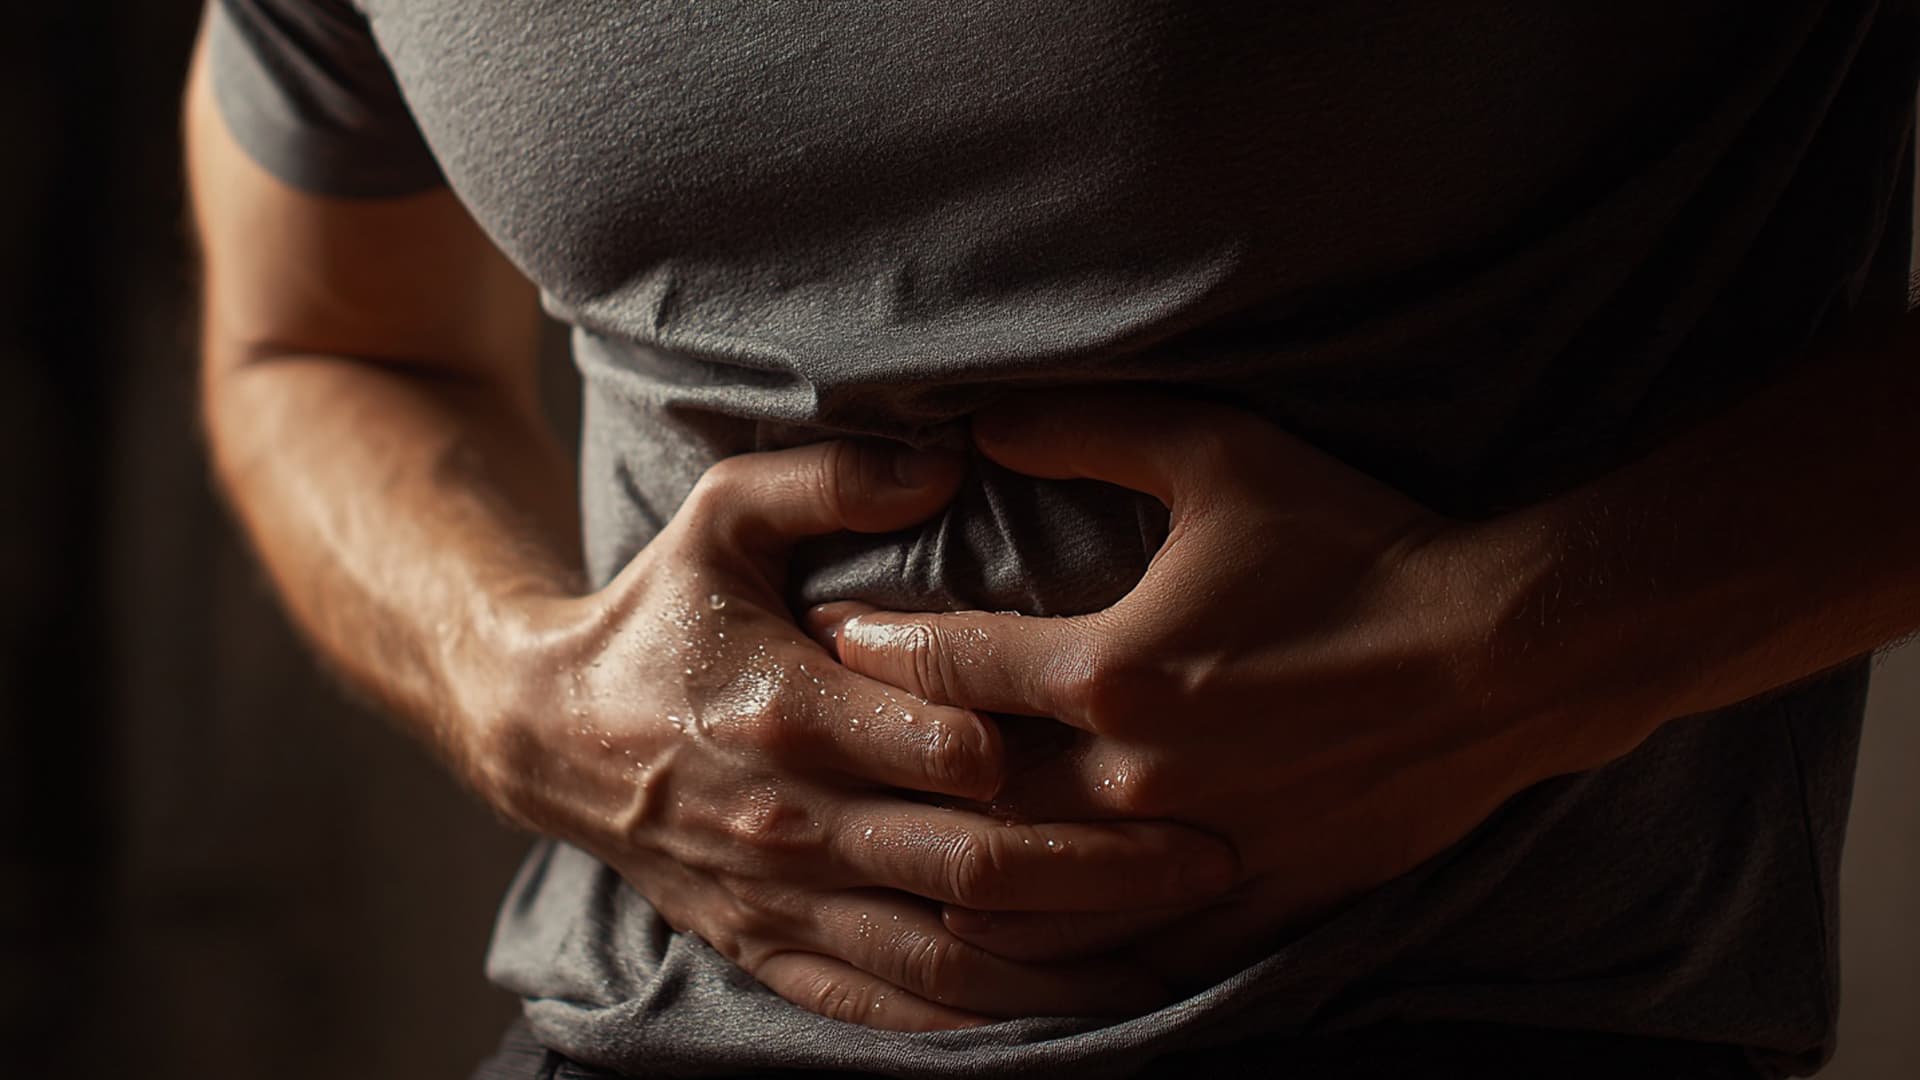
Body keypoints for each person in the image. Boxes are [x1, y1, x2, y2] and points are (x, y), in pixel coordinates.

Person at [186, 0, 1919, 1076]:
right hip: (633, 1034)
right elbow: (319, 337)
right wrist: (513, 687)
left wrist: (1503, 661)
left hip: (1464, 1028)